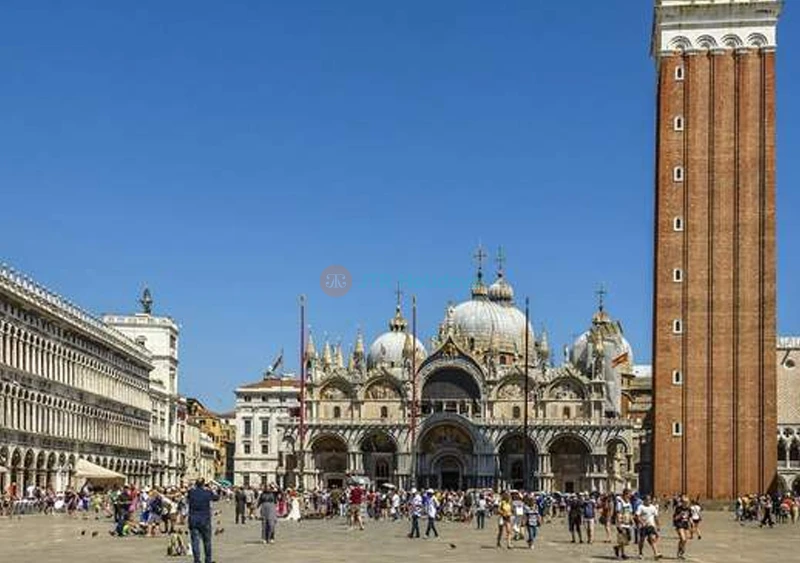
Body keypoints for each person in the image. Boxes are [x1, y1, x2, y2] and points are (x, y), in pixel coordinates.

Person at [187, 479, 219, 563]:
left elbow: (188, 495)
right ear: (203, 484)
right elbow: (216, 498)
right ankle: (208, 560)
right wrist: (211, 489)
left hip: (193, 520)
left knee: (195, 541)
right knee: (207, 541)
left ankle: (197, 560)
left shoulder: (191, 492)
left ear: (196, 484)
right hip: (205, 520)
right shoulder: (207, 492)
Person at [635, 495, 663, 560]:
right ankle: (640, 553)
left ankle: (656, 553)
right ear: (644, 500)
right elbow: (637, 516)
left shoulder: (653, 507)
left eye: (649, 500)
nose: (648, 501)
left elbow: (656, 517)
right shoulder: (641, 507)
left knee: (652, 538)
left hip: (651, 525)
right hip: (643, 526)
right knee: (642, 540)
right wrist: (641, 522)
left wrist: (658, 525)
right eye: (647, 500)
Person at [614, 490, 634, 560]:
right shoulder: (620, 502)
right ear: (625, 494)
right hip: (621, 523)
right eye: (629, 495)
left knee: (628, 539)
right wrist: (619, 524)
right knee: (622, 539)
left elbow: (630, 513)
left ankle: (617, 548)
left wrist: (632, 520)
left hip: (627, 523)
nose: (630, 496)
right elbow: (618, 513)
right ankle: (621, 554)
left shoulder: (629, 502)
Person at [672, 495, 692, 560]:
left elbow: (689, 517)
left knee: (685, 540)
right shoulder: (678, 508)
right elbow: (675, 518)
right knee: (683, 539)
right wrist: (680, 515)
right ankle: (680, 552)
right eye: (685, 502)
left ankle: (680, 552)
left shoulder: (689, 509)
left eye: (687, 502)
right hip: (679, 524)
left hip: (685, 524)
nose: (686, 503)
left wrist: (691, 523)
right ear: (682, 502)